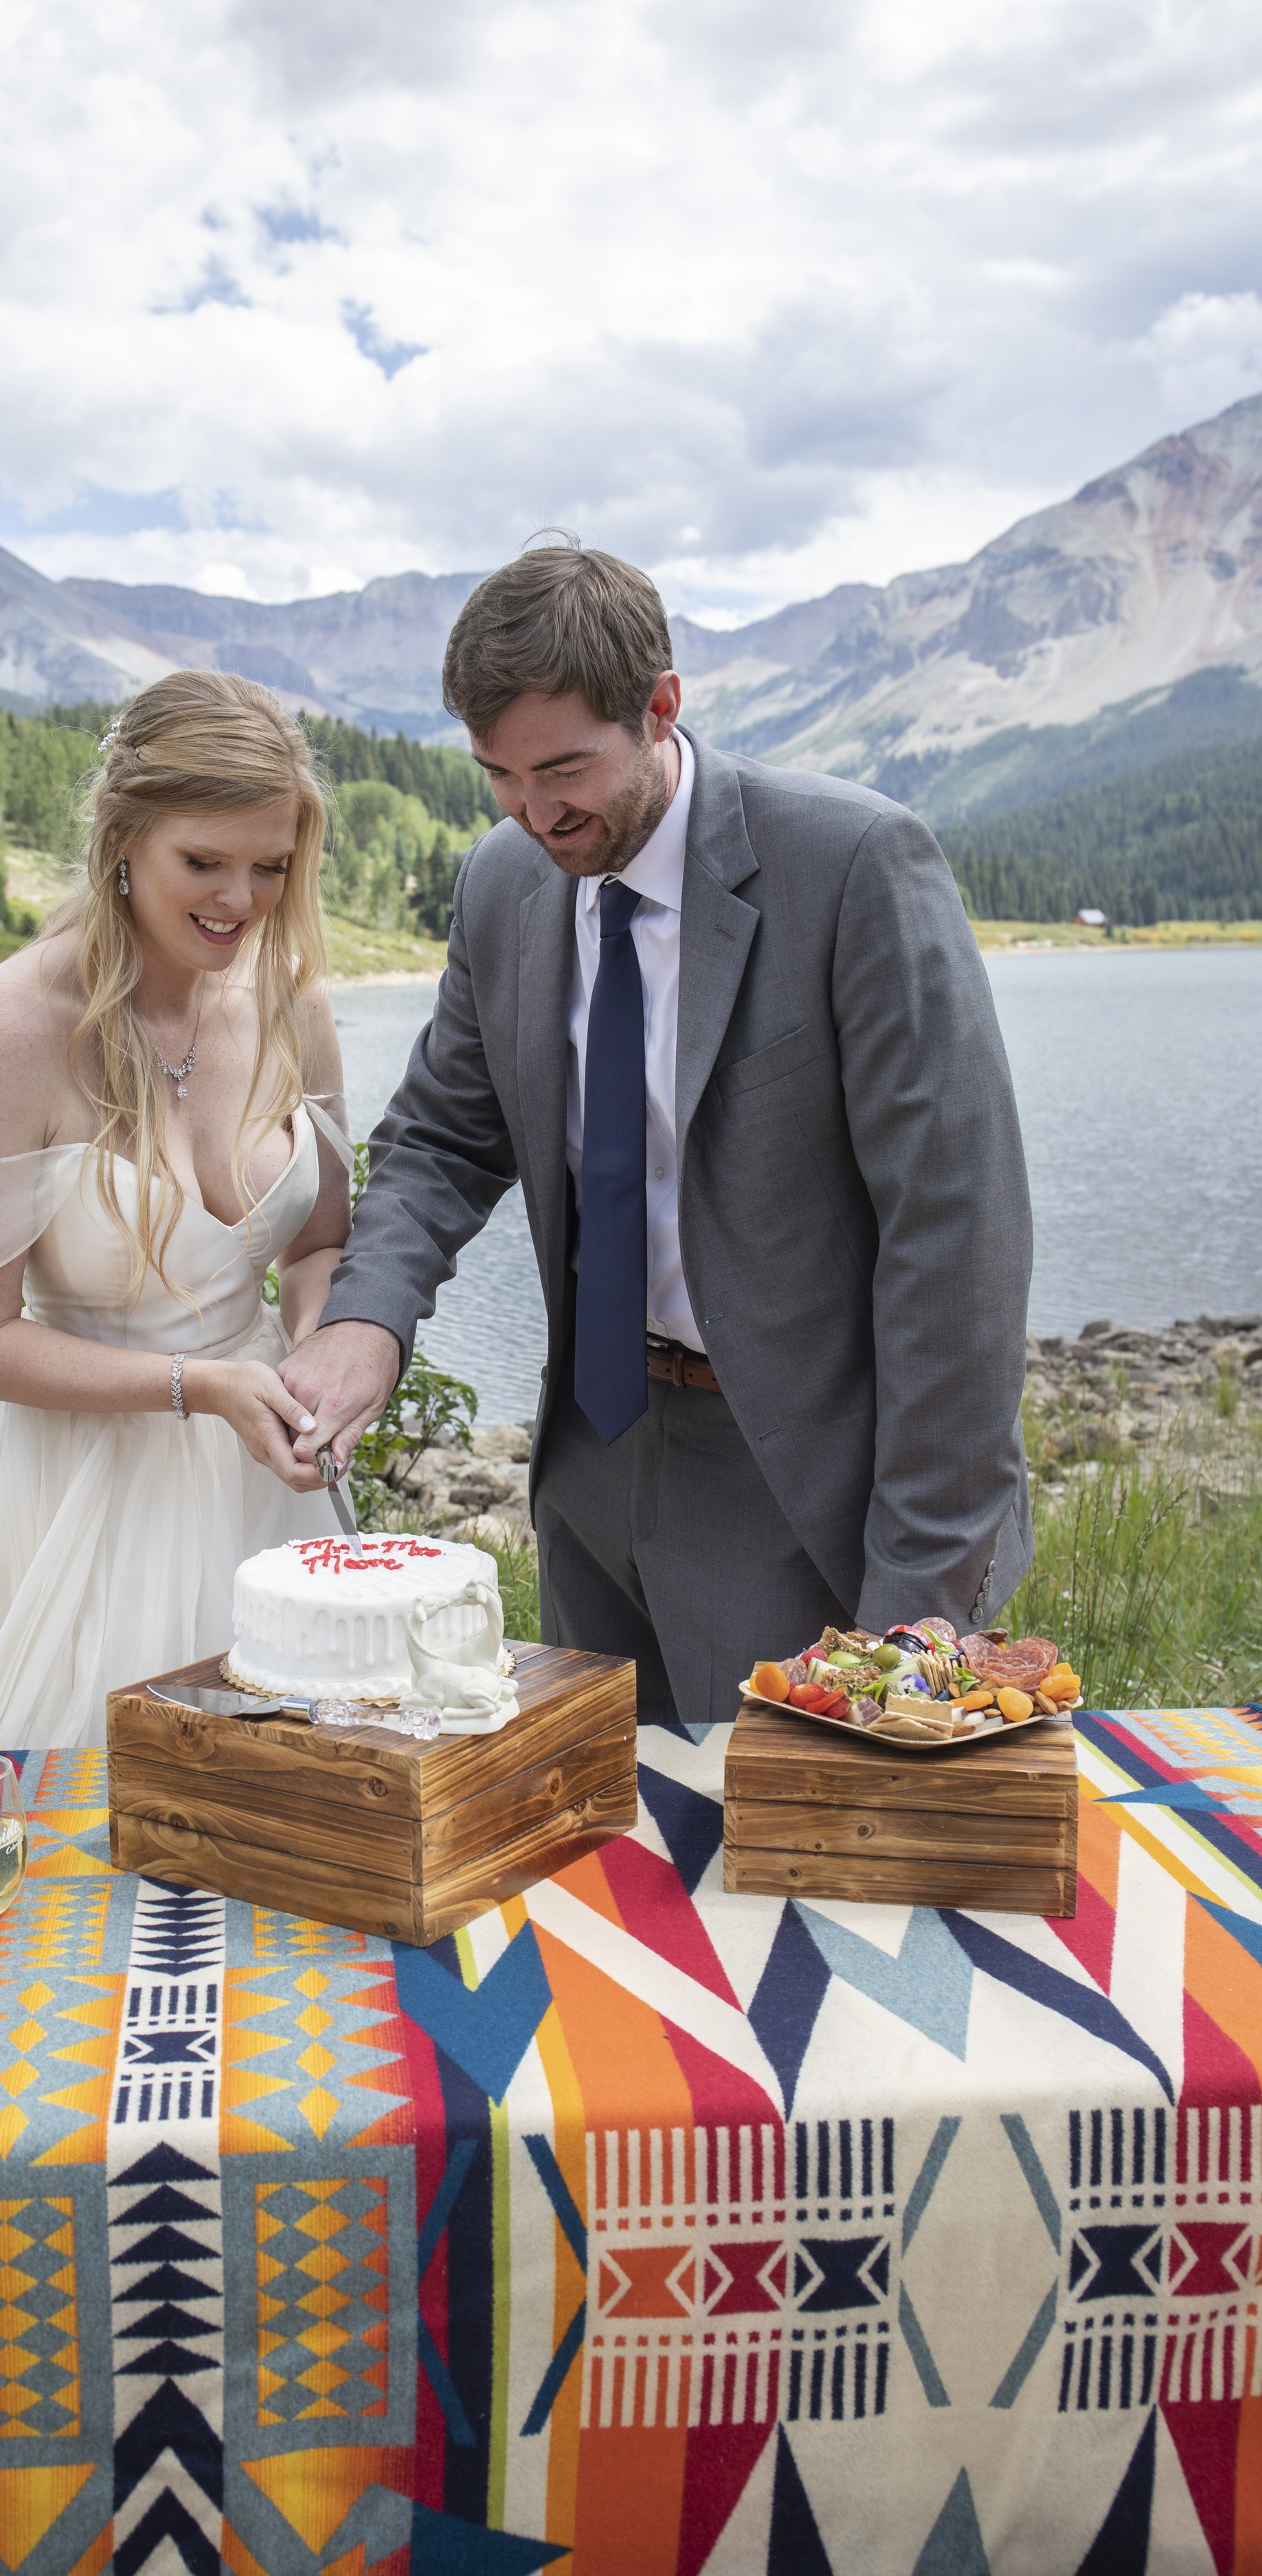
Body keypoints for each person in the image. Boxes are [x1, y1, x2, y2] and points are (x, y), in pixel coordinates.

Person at [280, 546, 1033, 1734]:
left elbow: (958, 1240)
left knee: (797, 1878)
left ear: (662, 707)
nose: (534, 813)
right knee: (609, 1867)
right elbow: (439, 1136)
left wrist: (923, 1601)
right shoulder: (502, 883)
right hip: (593, 1462)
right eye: (498, 776)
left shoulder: (853, 866)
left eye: (565, 768)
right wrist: (368, 1319)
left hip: (802, 1479)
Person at [0, 671, 346, 1754]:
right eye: (205, 863)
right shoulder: (6, 1029)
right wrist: (201, 1386)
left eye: (271, 866)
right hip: (66, 1505)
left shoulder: (294, 1001)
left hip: (266, 1490)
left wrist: (318, 1359)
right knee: (57, 1843)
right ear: (123, 834)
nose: (241, 900)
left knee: (309, 1823)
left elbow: (321, 1240)